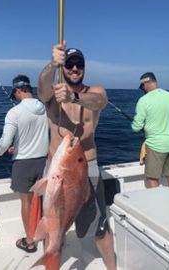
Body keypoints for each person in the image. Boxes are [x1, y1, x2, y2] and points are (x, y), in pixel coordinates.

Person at [37, 42, 116, 269]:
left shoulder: (95, 93)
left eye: (78, 65)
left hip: (86, 168)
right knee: (53, 231)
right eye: (69, 64)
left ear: (84, 68)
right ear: (64, 67)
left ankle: (113, 268)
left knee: (99, 228)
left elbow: (100, 101)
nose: (74, 68)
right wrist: (52, 65)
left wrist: (73, 97)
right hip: (55, 171)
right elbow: (42, 84)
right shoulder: (51, 95)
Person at [0, 74, 49, 253]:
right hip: (44, 162)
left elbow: (5, 140)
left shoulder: (14, 112)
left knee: (26, 202)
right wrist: (16, 146)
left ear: (18, 90)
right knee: (44, 202)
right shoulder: (45, 107)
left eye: (15, 94)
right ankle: (48, 239)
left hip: (23, 164)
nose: (15, 97)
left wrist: (0, 152)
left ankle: (30, 241)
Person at [131, 72, 169, 189]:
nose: (143, 89)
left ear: (146, 83)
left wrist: (137, 125)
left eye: (142, 87)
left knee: (152, 178)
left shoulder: (143, 100)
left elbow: (136, 127)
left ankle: (157, 206)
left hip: (156, 146)